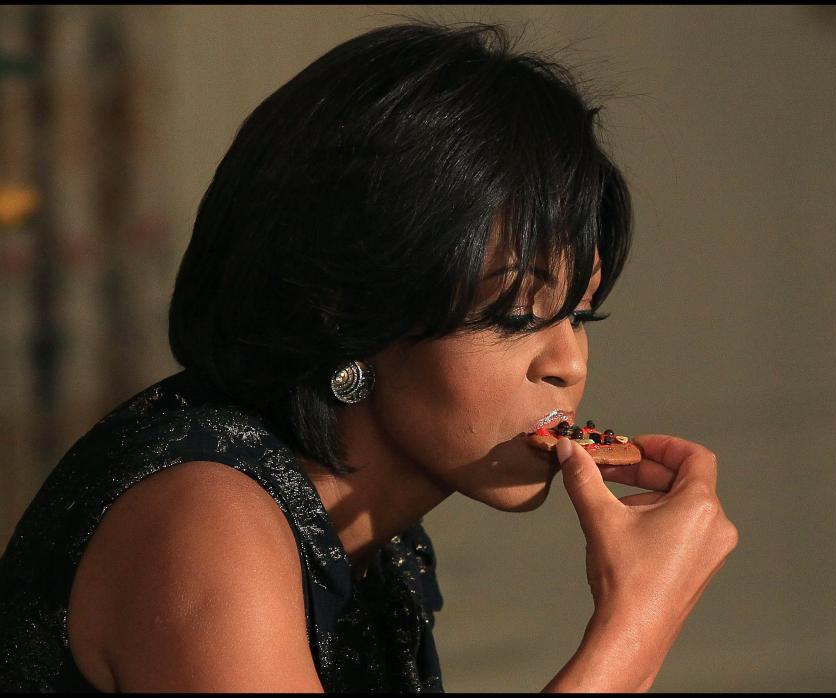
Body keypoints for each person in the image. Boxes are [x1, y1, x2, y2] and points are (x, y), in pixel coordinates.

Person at [0, 20, 737, 692]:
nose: (568, 364)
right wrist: (636, 623)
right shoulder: (205, 522)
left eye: (580, 315)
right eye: (517, 314)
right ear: (352, 312)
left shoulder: (374, 548)